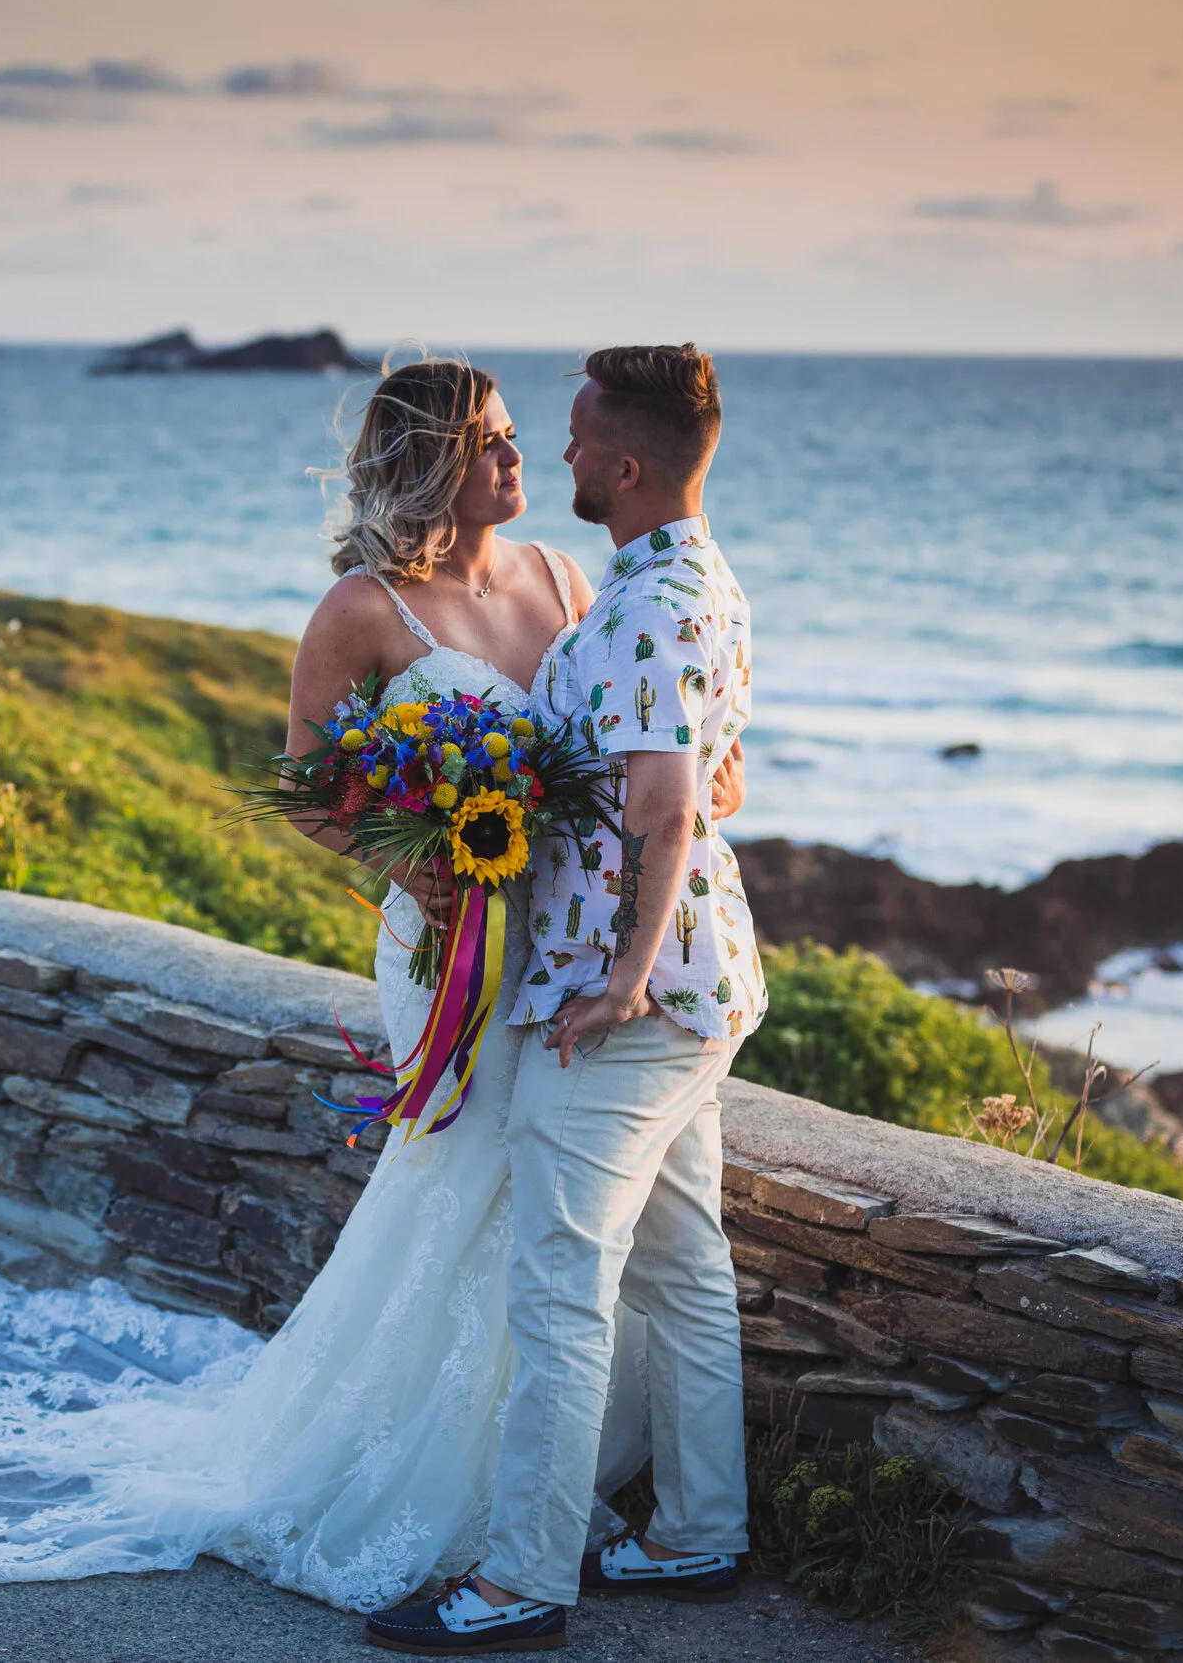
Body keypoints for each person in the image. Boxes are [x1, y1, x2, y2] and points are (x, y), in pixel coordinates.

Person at [0, 357, 744, 1625]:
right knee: (460, 1180)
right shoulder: (360, 609)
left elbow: (643, 729)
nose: (515, 455)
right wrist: (417, 856)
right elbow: (315, 786)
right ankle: (422, 1473)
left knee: (540, 1226)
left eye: (519, 435)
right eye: (488, 437)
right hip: (446, 943)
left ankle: (507, 1488)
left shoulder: (565, 577)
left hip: (555, 943)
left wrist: (712, 775)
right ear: (430, 458)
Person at [364, 345, 763, 1656]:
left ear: (628, 464)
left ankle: (519, 1579)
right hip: (712, 984)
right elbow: (713, 774)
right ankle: (702, 1533)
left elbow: (663, 804)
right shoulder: (699, 577)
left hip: (629, 1002)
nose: (562, 457)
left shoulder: (644, 606)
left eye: (581, 440)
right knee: (685, 1264)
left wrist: (625, 976)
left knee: (561, 1282)